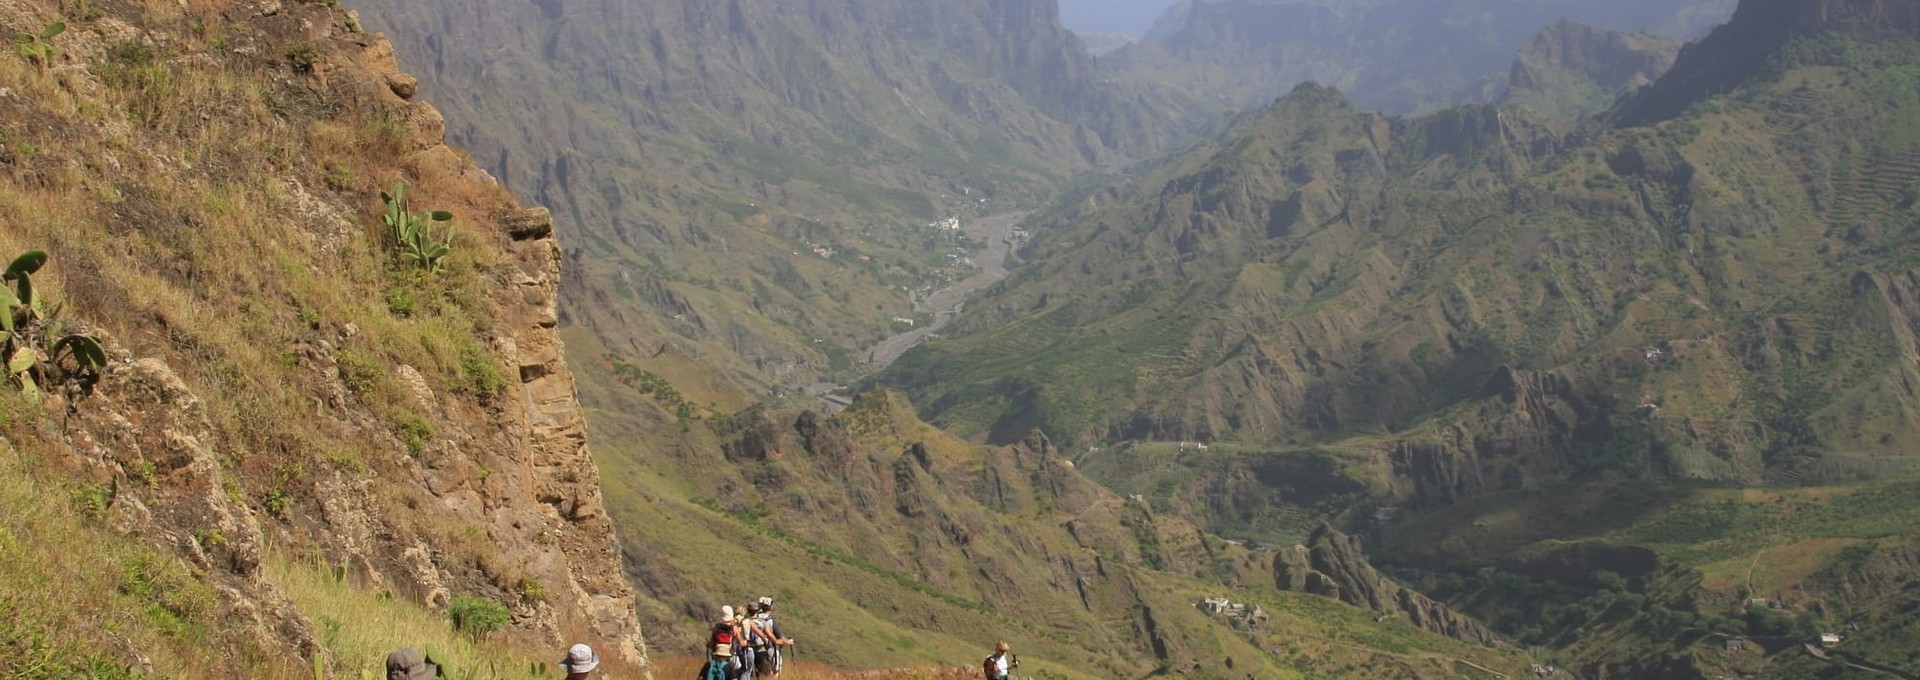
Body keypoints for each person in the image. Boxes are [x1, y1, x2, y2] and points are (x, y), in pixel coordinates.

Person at [755, 597, 795, 679]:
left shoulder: (756, 618)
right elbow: (779, 637)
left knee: (762, 672)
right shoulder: (771, 621)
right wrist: (789, 642)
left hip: (758, 649)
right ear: (771, 607)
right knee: (776, 671)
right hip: (771, 648)